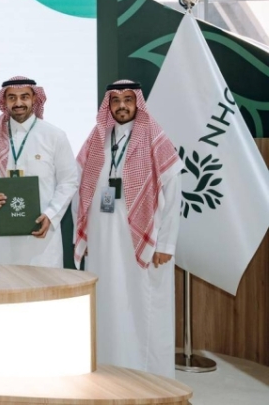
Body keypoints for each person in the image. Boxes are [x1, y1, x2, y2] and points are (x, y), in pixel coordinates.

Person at [73, 80, 182, 379]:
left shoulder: (154, 137)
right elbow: (79, 187)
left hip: (144, 243)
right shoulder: (97, 138)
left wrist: (165, 244)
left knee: (142, 306)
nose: (122, 105)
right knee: (107, 303)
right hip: (103, 240)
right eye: (115, 100)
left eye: (128, 99)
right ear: (108, 105)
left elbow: (174, 193)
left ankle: (150, 377)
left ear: (138, 103)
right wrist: (84, 234)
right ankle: (108, 369)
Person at [0, 76, 78, 267]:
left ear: (34, 99)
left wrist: (51, 214)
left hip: (40, 231)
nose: (18, 103)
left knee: (42, 284)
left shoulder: (54, 135)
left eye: (24, 97)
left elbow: (69, 180)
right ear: (4, 101)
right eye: (12, 98)